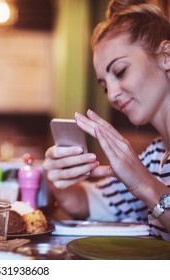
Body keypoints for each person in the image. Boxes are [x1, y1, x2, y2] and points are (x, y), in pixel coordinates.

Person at [43, 0, 170, 241]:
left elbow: (144, 186)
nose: (112, 95)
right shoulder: (155, 158)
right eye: (103, 86)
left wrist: (144, 185)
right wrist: (56, 180)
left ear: (166, 56)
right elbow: (87, 202)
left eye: (121, 71)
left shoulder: (146, 169)